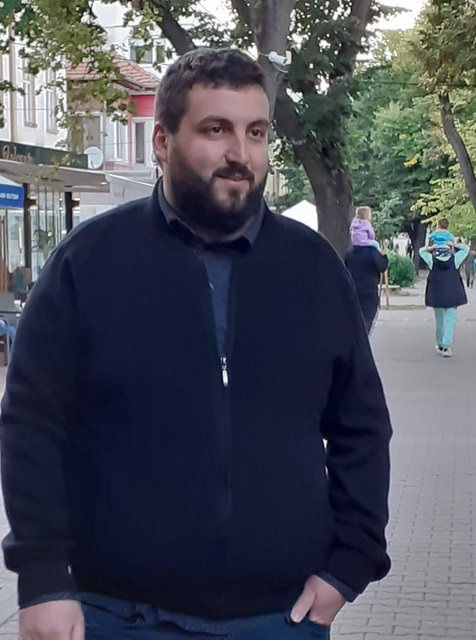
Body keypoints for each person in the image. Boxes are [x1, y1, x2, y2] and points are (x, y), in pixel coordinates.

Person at [0, 48, 392, 640]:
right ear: (162, 141)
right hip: (117, 614)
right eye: (216, 130)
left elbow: (361, 424)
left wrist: (351, 562)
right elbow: (32, 423)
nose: (240, 153)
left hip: (279, 617)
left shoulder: (312, 269)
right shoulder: (90, 262)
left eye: (255, 132)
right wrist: (43, 581)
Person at [419, 239, 469, 357]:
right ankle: (446, 346)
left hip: (437, 294)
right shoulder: (454, 260)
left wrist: (430, 248)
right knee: (450, 320)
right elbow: (466, 249)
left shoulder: (432, 260)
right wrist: (455, 244)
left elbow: (421, 251)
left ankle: (440, 343)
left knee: (439, 321)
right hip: (452, 294)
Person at [345, 239, 389, 334]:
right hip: (369, 291)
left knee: (355, 319)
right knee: (367, 319)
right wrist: (384, 255)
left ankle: (357, 338)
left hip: (353, 291)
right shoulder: (371, 251)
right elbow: (382, 266)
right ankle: (362, 339)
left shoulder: (349, 253)